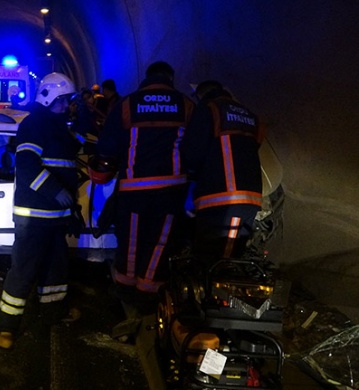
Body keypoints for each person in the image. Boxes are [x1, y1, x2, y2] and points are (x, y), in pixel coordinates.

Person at [95, 61, 195, 311]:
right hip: (172, 191)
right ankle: (148, 297)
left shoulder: (127, 104)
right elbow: (197, 148)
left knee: (130, 242)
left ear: (146, 78)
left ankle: (125, 292)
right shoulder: (186, 105)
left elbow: (107, 146)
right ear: (171, 78)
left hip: (133, 191)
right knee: (160, 243)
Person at [0, 73, 84, 349]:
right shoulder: (34, 124)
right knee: (24, 270)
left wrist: (71, 209)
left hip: (55, 218)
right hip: (33, 217)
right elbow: (28, 166)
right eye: (64, 100)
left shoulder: (58, 127)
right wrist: (56, 193)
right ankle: (7, 327)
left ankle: (54, 314)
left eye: (69, 101)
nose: (68, 105)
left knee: (56, 270)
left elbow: (71, 157)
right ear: (49, 98)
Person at [181, 80, 264, 261]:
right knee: (233, 257)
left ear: (200, 95)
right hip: (251, 196)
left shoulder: (208, 109)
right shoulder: (249, 114)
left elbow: (193, 152)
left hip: (220, 196)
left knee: (211, 260)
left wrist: (191, 181)